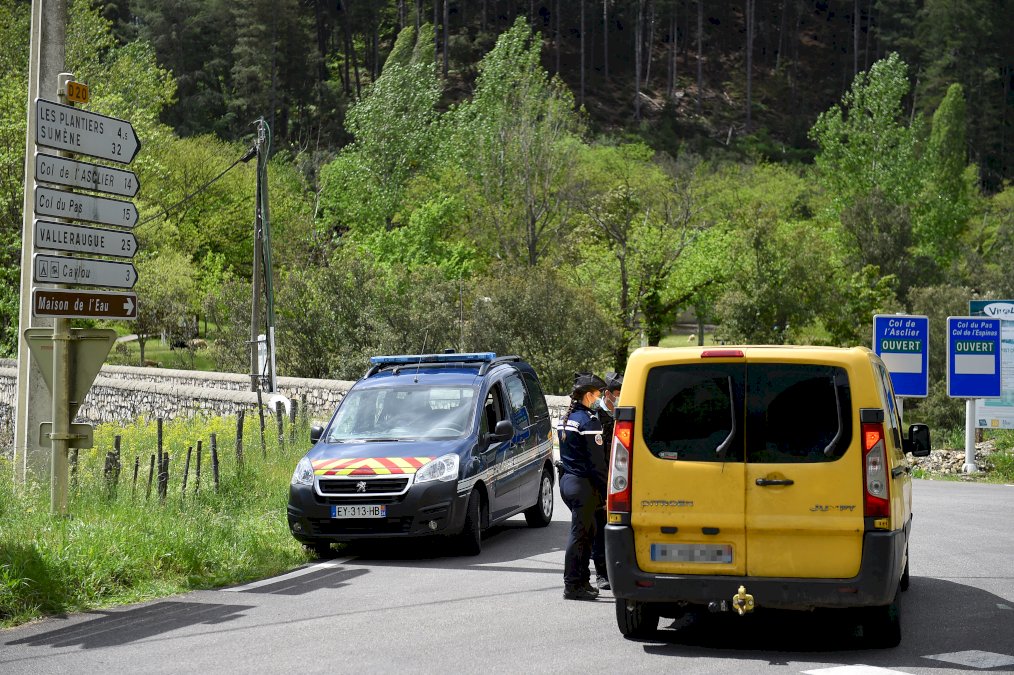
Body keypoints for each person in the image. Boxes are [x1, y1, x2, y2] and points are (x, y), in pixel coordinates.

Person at [557, 372, 608, 601]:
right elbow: (597, 463)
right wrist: (608, 490)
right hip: (584, 486)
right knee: (580, 535)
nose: (598, 398)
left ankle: (583, 581)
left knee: (587, 532)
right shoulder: (589, 421)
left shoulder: (567, 418)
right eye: (597, 394)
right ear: (588, 395)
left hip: (568, 481)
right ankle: (573, 584)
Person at [590, 371, 623, 590]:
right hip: (600, 478)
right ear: (609, 394)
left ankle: (615, 570)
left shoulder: (619, 414)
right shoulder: (595, 416)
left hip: (619, 475)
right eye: (618, 394)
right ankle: (601, 572)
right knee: (599, 526)